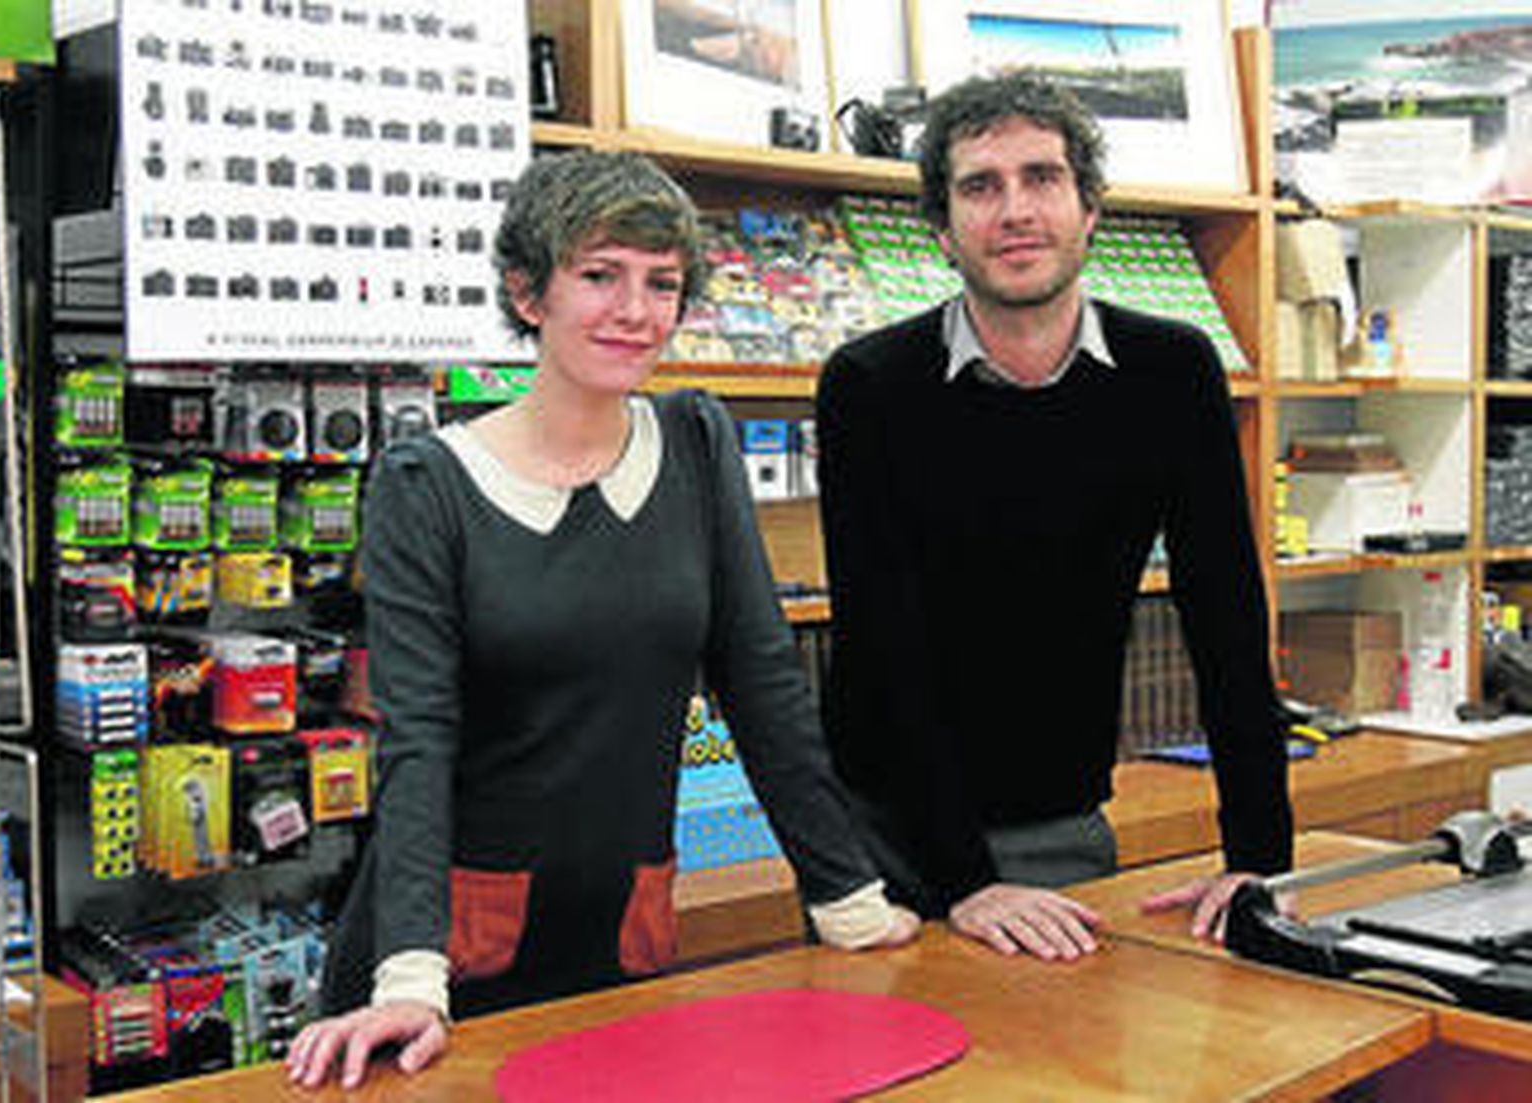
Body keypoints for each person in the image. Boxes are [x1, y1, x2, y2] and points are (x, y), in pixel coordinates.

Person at [285, 150, 918, 1090]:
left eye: (661, 282)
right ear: (527, 292)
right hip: (445, 954)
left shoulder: (698, 441)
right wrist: (410, 976)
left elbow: (762, 684)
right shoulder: (428, 485)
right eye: (599, 275)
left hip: (622, 931)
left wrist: (845, 891)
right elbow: (418, 742)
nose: (635, 310)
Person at [816, 72, 1293, 965]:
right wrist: (966, 880)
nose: (1015, 211)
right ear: (941, 224)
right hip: (884, 838)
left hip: (1062, 820)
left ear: (1090, 208)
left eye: (1042, 178)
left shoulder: (1173, 372)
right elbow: (883, 639)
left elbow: (1224, 608)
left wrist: (1260, 860)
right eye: (980, 186)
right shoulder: (871, 384)